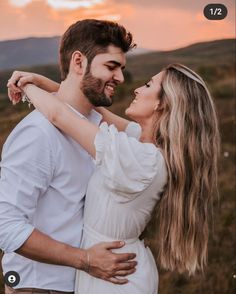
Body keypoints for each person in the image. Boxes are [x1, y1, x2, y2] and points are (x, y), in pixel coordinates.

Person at [8, 63, 220, 294]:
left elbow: (60, 115)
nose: (137, 89)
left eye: (148, 84)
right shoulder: (145, 144)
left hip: (114, 274)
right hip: (117, 264)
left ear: (163, 103)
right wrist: (45, 83)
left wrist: (25, 84)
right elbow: (94, 110)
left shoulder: (139, 159)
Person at [0, 19, 138, 294]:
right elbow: (6, 225)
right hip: (40, 287)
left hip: (84, 284)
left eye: (121, 68)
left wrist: (43, 84)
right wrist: (85, 259)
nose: (120, 78)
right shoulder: (38, 133)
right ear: (78, 62)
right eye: (111, 67)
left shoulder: (97, 129)